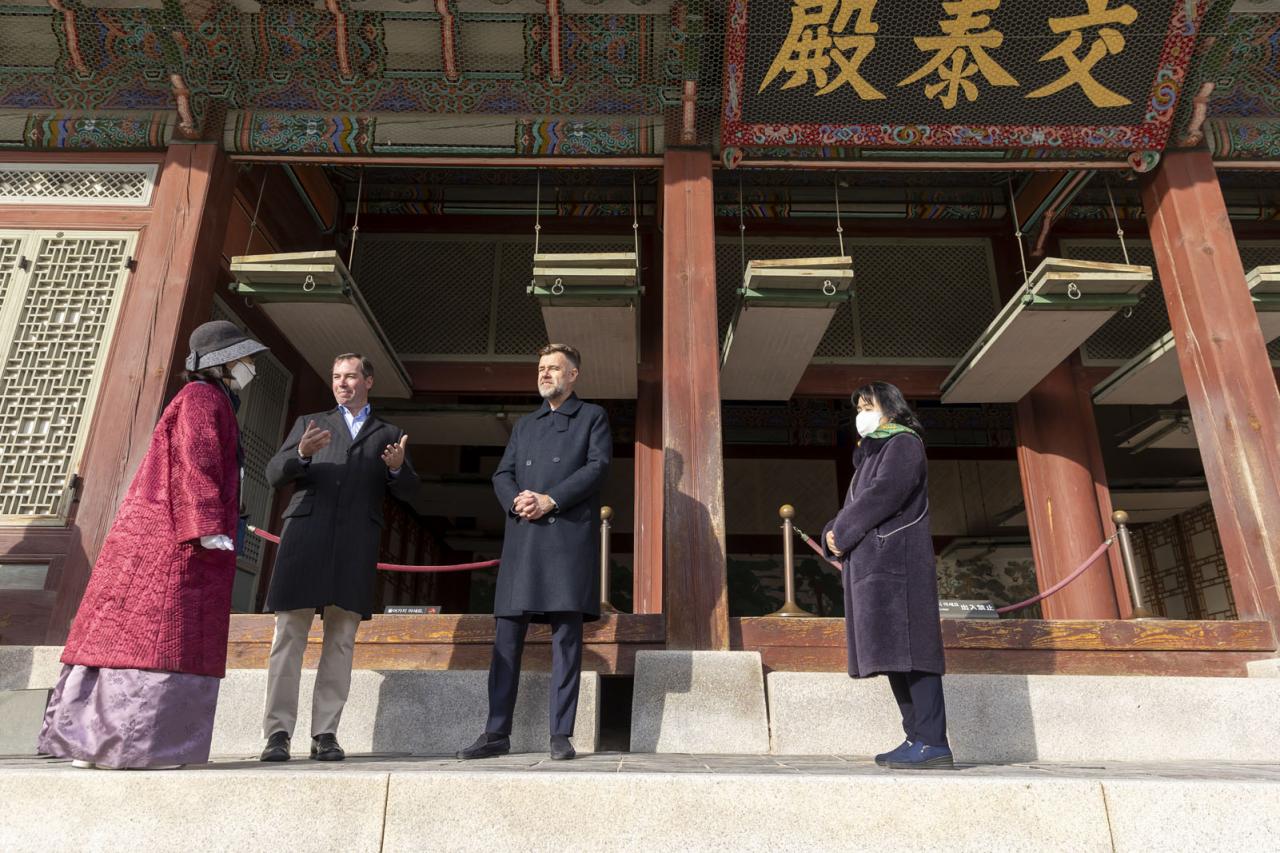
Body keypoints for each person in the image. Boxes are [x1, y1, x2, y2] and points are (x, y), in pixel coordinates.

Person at [38, 320, 268, 770]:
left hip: (155, 534)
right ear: (224, 363)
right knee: (162, 634)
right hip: (177, 539)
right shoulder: (203, 399)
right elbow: (194, 461)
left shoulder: (208, 399)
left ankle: (91, 743)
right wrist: (205, 523)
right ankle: (142, 746)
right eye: (246, 359)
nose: (250, 367)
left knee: (125, 632)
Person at [258, 353, 419, 762]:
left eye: (350, 376)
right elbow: (274, 472)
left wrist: (399, 469)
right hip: (305, 536)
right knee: (288, 637)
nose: (342, 383)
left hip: (355, 543)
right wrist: (303, 455)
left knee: (341, 640)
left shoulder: (389, 432)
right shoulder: (311, 423)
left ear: (368, 381)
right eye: (336, 377)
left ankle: (325, 733)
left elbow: (410, 490)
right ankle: (277, 734)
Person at [458, 343, 611, 762]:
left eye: (554, 368)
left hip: (565, 538)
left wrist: (551, 500)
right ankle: (495, 732)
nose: (545, 375)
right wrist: (517, 501)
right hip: (524, 537)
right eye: (541, 368)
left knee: (566, 639)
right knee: (506, 637)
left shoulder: (592, 417)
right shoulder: (526, 425)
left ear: (573, 375)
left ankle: (561, 733)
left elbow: (596, 468)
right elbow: (502, 472)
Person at [822, 381, 952, 770]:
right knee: (896, 653)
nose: (861, 413)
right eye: (858, 407)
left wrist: (839, 533)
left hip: (899, 565)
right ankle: (916, 736)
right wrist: (833, 534)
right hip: (877, 565)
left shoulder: (903, 443)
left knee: (914, 651)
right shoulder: (871, 452)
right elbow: (861, 503)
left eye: (868, 405)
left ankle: (933, 740)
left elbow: (884, 495)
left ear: (890, 408)